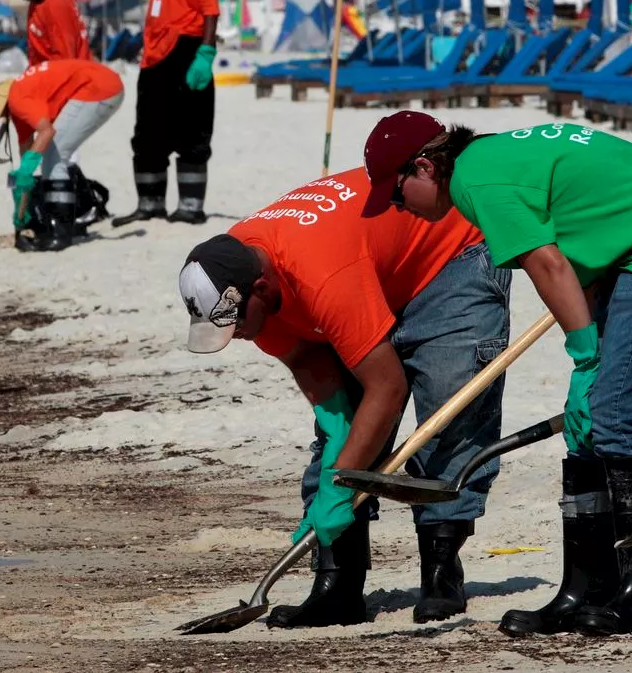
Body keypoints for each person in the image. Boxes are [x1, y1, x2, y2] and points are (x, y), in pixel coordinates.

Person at [361, 111, 632, 638]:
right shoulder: (489, 157)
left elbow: (549, 266)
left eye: (398, 196)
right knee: (586, 428)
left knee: (615, 418)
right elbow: (577, 247)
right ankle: (585, 589)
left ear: (424, 166)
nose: (402, 209)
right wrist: (587, 358)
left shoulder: (476, 180)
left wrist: (587, 358)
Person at [178, 158, 510, 628]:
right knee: (345, 432)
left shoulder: (316, 274)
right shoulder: (235, 274)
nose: (240, 337)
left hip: (448, 250)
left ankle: (441, 571)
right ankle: (338, 585)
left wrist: (338, 484)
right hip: (373, 266)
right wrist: (337, 424)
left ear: (260, 289)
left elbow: (388, 387)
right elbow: (306, 359)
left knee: (449, 403)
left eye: (237, 325)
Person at [113, 0, 219, 228]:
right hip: (156, 53)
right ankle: (150, 203)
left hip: (187, 47)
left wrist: (206, 53)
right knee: (147, 132)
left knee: (192, 130)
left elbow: (210, 8)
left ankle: (190, 205)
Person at [0, 59, 123, 252]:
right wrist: (20, 197)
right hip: (103, 83)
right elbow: (26, 150)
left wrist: (28, 167)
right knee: (52, 155)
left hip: (99, 88)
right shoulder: (16, 103)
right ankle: (71, 220)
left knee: (54, 155)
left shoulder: (18, 100)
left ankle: (61, 233)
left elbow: (46, 132)